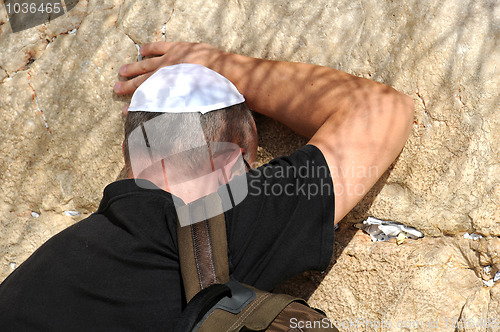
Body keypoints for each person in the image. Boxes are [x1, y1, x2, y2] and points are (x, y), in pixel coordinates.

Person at [0, 42, 413, 331]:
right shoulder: (221, 225)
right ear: (232, 159)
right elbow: (381, 111)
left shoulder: (32, 278)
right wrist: (223, 65)